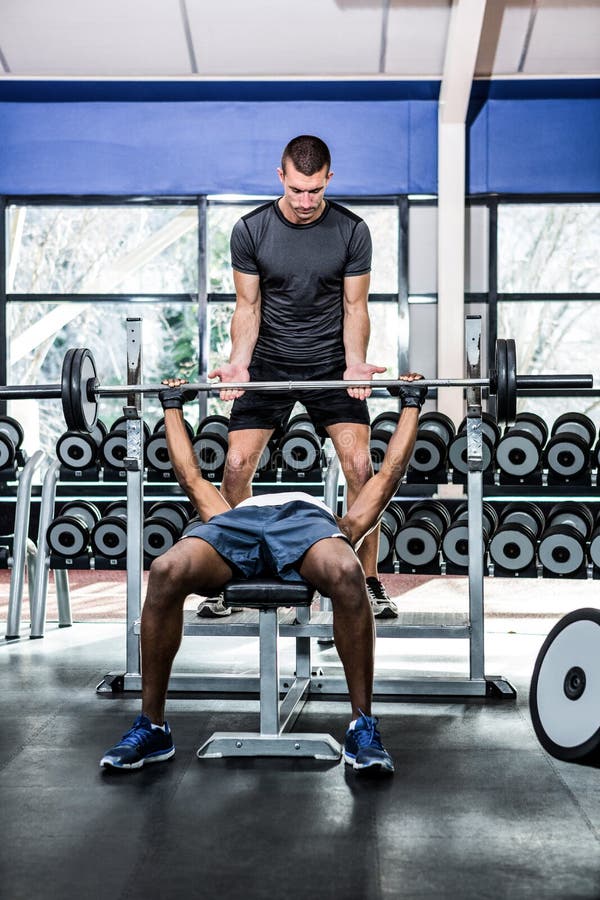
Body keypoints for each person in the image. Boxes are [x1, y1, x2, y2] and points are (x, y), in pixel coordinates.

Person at [100, 375, 427, 775]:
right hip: (240, 525)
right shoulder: (228, 512)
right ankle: (152, 727)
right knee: (166, 568)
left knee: (346, 570)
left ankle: (363, 726)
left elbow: (388, 474)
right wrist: (171, 403)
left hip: (305, 525)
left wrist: (413, 402)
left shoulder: (330, 522)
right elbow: (191, 477)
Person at [198, 134, 397, 620]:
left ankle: (366, 579)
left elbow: (355, 305)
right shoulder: (250, 230)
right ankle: (231, 577)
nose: (306, 202)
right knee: (236, 466)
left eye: (315, 191)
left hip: (331, 362)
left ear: (328, 178)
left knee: (359, 467)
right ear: (280, 176)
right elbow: (248, 305)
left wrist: (355, 361)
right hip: (268, 362)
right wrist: (239, 362)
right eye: (297, 190)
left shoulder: (352, 230)